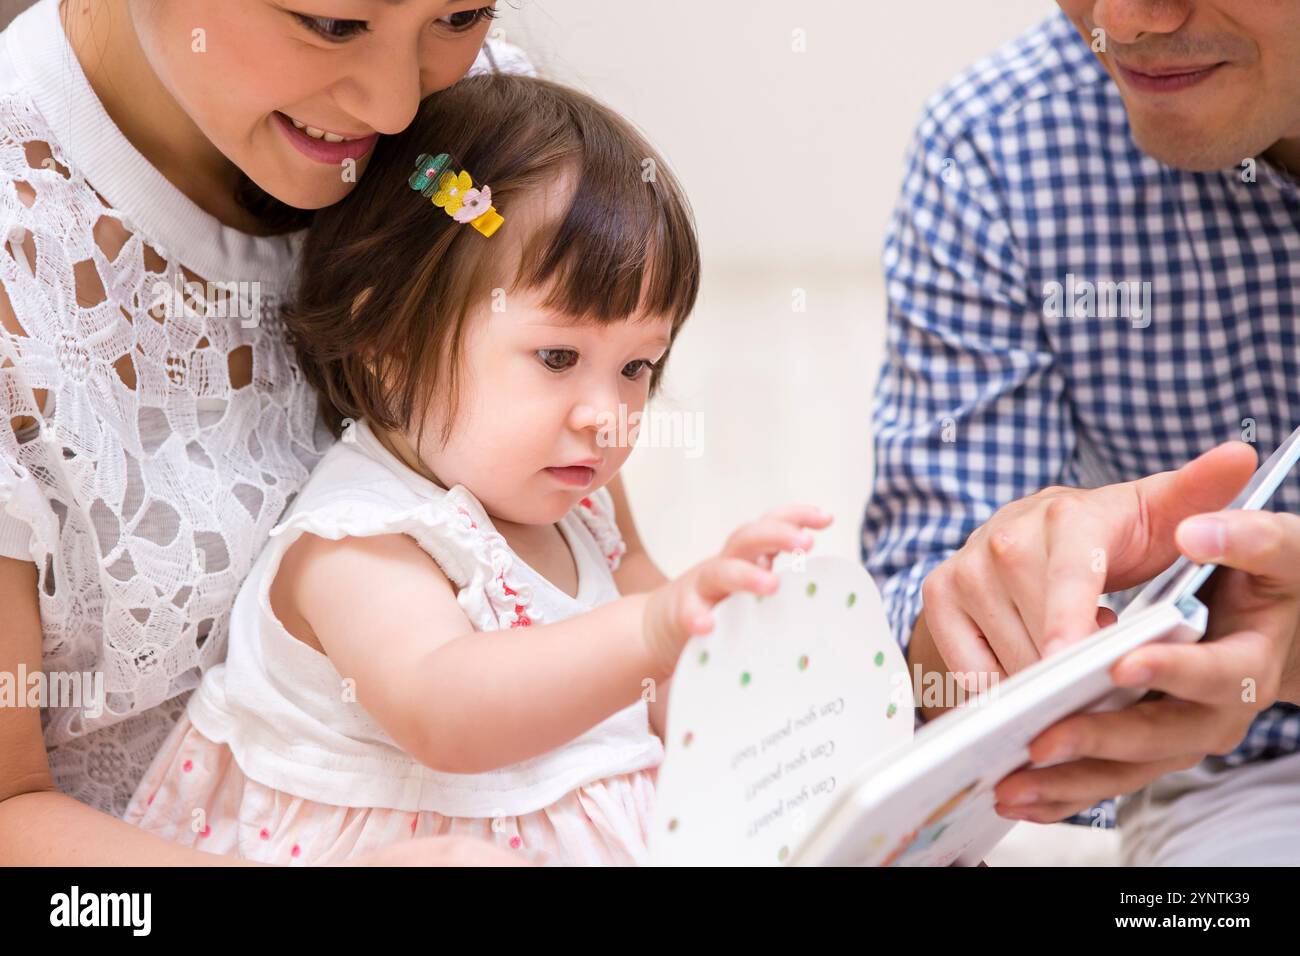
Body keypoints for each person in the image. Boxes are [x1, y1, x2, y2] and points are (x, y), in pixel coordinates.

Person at [120, 72, 829, 866]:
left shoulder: (580, 507)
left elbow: (665, 689)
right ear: (388, 348)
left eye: (636, 367)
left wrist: (748, 660)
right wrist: (651, 629)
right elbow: (445, 710)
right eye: (558, 356)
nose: (608, 412)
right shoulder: (362, 536)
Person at [0, 0, 624, 866]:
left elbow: (604, 564)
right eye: (333, 24)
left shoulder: (464, 162)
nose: (398, 110)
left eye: (461, 14)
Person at [863, 0, 1300, 864]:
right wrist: (982, 611)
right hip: (1238, 783)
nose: (1125, 21)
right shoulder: (996, 145)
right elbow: (912, 606)